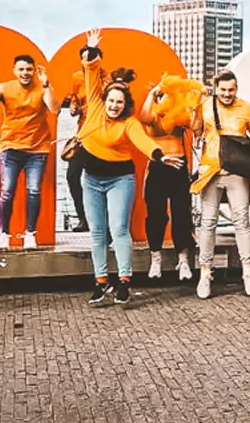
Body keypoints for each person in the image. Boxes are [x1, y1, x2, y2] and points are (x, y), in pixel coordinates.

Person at [75, 29, 164, 306]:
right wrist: (91, 50)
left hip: (120, 179)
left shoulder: (130, 123)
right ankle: (101, 282)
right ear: (105, 100)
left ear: (125, 105)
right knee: (98, 231)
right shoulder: (95, 105)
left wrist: (158, 153)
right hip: (90, 179)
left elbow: (142, 140)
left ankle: (124, 281)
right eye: (111, 100)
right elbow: (91, 73)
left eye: (119, 102)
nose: (114, 105)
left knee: (119, 229)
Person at [191, 70, 250, 299]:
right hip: (210, 170)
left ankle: (248, 272)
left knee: (242, 221)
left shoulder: (245, 108)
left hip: (237, 173)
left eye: (231, 90)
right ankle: (205, 273)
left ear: (237, 88)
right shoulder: (205, 105)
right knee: (208, 222)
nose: (227, 94)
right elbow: (195, 131)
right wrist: (194, 107)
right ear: (216, 89)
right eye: (223, 90)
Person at [0, 54, 57, 250]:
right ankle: (4, 234)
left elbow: (55, 108)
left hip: (37, 148)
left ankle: (30, 234)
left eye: (29, 69)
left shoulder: (42, 87)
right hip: (10, 148)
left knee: (34, 191)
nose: (25, 73)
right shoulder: (5, 88)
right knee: (7, 190)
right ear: (15, 71)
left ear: (34, 71)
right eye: (21, 69)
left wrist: (47, 84)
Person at [138, 74, 203, 282]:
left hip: (179, 167)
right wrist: (153, 92)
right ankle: (155, 257)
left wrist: (195, 103)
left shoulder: (180, 112)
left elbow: (195, 126)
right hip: (157, 167)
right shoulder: (153, 114)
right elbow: (145, 117)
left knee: (181, 214)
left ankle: (183, 260)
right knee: (156, 215)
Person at [64, 52, 90, 233]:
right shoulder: (77, 78)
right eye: (84, 57)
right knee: (72, 176)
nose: (87, 61)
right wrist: (73, 106)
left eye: (92, 57)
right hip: (82, 135)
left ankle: (100, 220)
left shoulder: (105, 79)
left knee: (97, 179)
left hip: (100, 136)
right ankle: (83, 218)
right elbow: (74, 97)